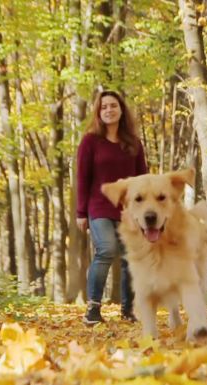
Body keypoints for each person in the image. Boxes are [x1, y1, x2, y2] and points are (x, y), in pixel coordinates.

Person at [77, 90, 147, 325]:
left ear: (121, 110)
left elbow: (142, 179)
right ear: (98, 112)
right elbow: (83, 178)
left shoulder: (133, 143)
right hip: (98, 207)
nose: (108, 110)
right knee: (106, 250)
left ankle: (128, 311)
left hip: (128, 210)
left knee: (130, 257)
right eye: (104, 106)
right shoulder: (90, 141)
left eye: (113, 106)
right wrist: (80, 212)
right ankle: (93, 309)